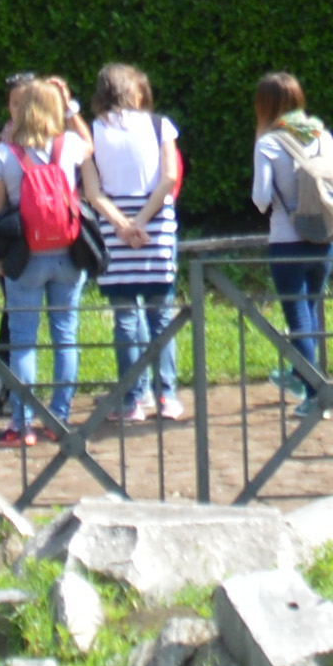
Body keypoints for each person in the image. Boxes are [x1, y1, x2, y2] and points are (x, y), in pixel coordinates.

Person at [80, 62, 187, 421]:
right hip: (156, 224)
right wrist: (141, 220)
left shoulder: (91, 133)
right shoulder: (160, 125)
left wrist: (123, 225)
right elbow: (170, 177)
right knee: (162, 314)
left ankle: (131, 400)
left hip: (114, 228)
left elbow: (93, 192)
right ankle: (168, 396)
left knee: (126, 317)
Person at [0, 73, 95, 429]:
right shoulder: (69, 146)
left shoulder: (3, 154)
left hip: (25, 255)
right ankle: (60, 416)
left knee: (24, 341)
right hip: (67, 252)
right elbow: (90, 146)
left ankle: (22, 422)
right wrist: (70, 108)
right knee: (66, 335)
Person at [247, 71, 333, 408]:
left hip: (286, 239)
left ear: (265, 105)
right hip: (324, 235)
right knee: (311, 310)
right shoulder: (323, 135)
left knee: (298, 318)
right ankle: (298, 373)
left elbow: (260, 197)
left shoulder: (268, 142)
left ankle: (314, 392)